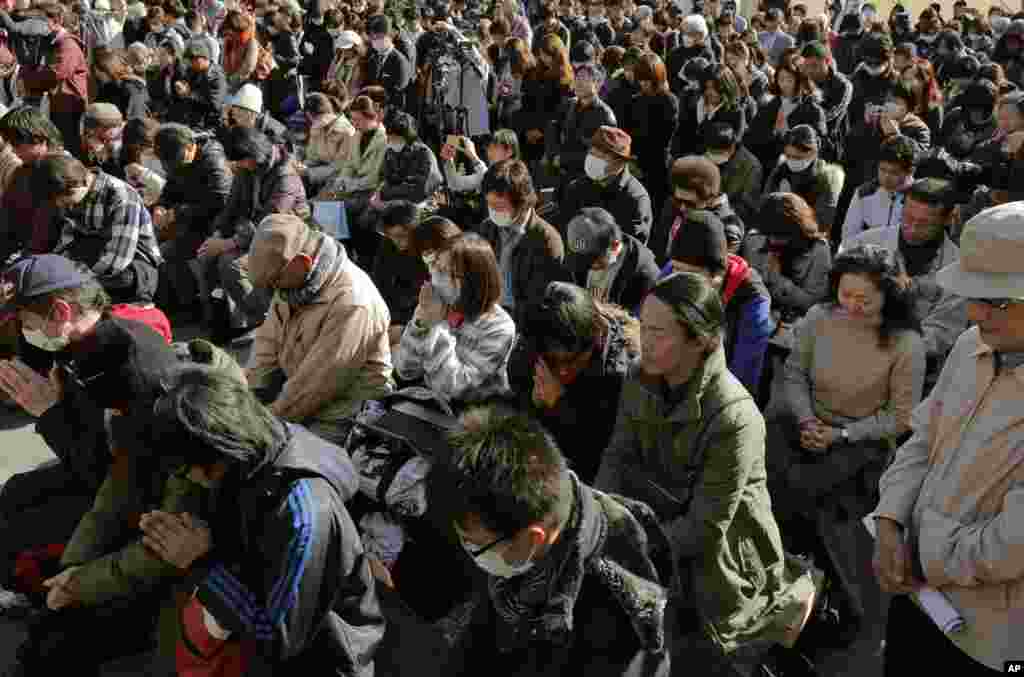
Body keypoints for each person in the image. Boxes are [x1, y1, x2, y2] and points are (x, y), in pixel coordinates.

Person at [594, 272, 822, 674]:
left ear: (699, 340)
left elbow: (706, 526)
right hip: (657, 525)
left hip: (723, 553)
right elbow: (618, 456)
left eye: (659, 332)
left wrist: (628, 548)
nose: (644, 339)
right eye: (643, 326)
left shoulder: (735, 416)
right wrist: (599, 518)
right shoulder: (638, 376)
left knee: (701, 651)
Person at [138, 364, 386, 675]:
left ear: (219, 450)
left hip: (323, 659)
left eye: (188, 469)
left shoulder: (305, 515)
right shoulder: (257, 446)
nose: (189, 478)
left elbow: (275, 639)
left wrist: (202, 561)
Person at [874, 202, 1024, 674]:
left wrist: (918, 550)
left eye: (996, 300)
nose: (975, 312)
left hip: (991, 643)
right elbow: (922, 440)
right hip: (917, 601)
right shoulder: (970, 346)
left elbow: (1013, 544)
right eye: (972, 294)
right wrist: (890, 520)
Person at [441, 402, 671, 677]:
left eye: (475, 545)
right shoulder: (547, 521)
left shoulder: (608, 625)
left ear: (533, 539)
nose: (470, 552)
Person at [765, 244, 924, 616]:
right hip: (804, 424)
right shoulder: (819, 317)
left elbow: (901, 417)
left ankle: (827, 596)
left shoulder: (907, 344)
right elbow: (794, 373)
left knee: (807, 493)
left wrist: (841, 435)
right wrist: (806, 420)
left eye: (864, 300)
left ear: (889, 294)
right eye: (845, 294)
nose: (851, 306)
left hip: (861, 441)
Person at [245, 214, 393, 443]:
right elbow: (267, 344)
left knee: (280, 459)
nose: (274, 290)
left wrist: (262, 424)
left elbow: (315, 386)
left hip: (345, 412)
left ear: (304, 262)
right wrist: (247, 396)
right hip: (299, 391)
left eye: (275, 281)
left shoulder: (353, 303)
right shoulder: (293, 283)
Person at [507, 281, 640, 482]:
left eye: (570, 361)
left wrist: (560, 407)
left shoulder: (618, 376)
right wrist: (535, 404)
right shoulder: (529, 351)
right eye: (553, 361)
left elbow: (601, 457)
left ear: (594, 342)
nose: (562, 370)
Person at [843, 178, 968, 387]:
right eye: (907, 218)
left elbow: (942, 332)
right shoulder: (863, 243)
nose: (912, 228)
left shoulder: (958, 269)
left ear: (948, 218)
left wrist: (886, 346)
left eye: (924, 224)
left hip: (914, 376)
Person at [198, 126, 308, 340]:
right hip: (253, 233)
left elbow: (270, 221)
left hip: (285, 236)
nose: (238, 165)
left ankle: (267, 321)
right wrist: (219, 234)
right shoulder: (247, 169)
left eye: (240, 160)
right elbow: (232, 206)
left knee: (231, 263)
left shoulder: (285, 175)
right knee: (206, 256)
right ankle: (220, 321)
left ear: (253, 153)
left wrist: (230, 243)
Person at [395, 232, 515, 403]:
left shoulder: (498, 327)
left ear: (474, 280)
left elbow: (457, 389)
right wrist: (421, 323)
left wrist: (435, 326)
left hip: (474, 416)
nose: (438, 278)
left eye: (447, 273)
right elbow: (405, 369)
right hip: (432, 404)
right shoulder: (439, 305)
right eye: (437, 268)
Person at [668, 210, 774, 397]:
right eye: (676, 269)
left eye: (691, 274)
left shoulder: (752, 299)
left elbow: (742, 377)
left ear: (717, 276)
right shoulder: (674, 269)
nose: (680, 279)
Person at [33, 153, 163, 305]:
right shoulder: (70, 197)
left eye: (64, 200)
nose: (62, 206)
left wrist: (71, 277)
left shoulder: (122, 196)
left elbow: (117, 261)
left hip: (133, 267)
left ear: (77, 185)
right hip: (94, 261)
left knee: (122, 278)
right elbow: (66, 241)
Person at [475, 159, 567, 327]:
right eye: (489, 204)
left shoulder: (546, 240)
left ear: (522, 203)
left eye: (499, 205)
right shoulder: (488, 228)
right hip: (489, 314)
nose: (493, 211)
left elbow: (540, 304)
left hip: (521, 324)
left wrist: (503, 321)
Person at [152, 122, 233, 313]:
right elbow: (170, 189)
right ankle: (187, 304)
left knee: (173, 251)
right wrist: (161, 206)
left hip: (217, 226)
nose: (173, 166)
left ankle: (207, 308)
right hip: (193, 223)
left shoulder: (213, 157)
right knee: (163, 252)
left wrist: (179, 212)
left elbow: (220, 198)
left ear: (190, 146)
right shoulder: (176, 158)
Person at [743, 191, 831, 330]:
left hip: (793, 325)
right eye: (769, 234)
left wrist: (777, 279)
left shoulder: (818, 249)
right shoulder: (755, 239)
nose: (772, 240)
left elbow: (813, 302)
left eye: (778, 235)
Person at [555, 126, 652, 245]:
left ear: (619, 162)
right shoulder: (576, 187)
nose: (593, 158)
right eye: (592, 152)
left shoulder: (635, 198)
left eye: (601, 155)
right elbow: (565, 229)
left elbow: (632, 248)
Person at [14, 3, 88, 157]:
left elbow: (56, 74)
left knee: (68, 149)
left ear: (55, 22)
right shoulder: (48, 43)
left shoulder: (67, 44)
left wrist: (26, 80)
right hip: (55, 106)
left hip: (69, 108)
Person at [650, 156, 745, 265]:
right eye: (678, 200)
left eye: (690, 203)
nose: (682, 208)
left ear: (710, 199)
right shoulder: (671, 206)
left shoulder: (728, 229)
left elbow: (717, 274)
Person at [746, 52, 828, 174]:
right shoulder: (769, 105)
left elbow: (820, 142)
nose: (784, 84)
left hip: (801, 166)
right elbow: (753, 136)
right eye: (781, 79)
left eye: (789, 79)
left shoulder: (812, 109)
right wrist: (774, 133)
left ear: (799, 81)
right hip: (769, 165)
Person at [0, 107, 64, 262]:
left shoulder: (61, 174)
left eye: (16, 144)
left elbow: (45, 231)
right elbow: (7, 218)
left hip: (45, 260)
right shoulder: (23, 171)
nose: (12, 150)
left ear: (38, 139)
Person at [564, 207, 658, 312]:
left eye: (592, 261)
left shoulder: (645, 276)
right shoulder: (580, 256)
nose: (587, 268)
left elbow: (638, 324)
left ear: (614, 246)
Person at [762, 125, 845, 238]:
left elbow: (823, 222)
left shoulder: (828, 177)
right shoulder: (779, 172)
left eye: (798, 157)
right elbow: (765, 206)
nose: (793, 161)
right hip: (776, 236)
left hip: (811, 240)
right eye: (789, 156)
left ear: (813, 153)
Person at [545, 61, 616, 184]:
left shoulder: (605, 116)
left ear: (598, 84)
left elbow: (602, 155)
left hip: (586, 180)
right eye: (577, 78)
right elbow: (553, 128)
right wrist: (553, 154)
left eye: (584, 79)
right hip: (562, 175)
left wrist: (564, 159)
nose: (578, 83)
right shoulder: (569, 105)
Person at [373, 202, 431, 347]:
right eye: (391, 236)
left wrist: (405, 326)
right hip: (398, 307)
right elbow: (381, 282)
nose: (397, 241)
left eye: (402, 236)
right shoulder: (388, 244)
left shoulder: (429, 248)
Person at [625, 53, 678, 213]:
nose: (643, 83)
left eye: (648, 79)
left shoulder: (669, 101)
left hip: (658, 164)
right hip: (637, 161)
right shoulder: (636, 100)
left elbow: (664, 139)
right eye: (641, 79)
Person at [841, 134, 915, 245]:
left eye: (894, 172)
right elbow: (849, 236)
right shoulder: (864, 193)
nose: (886, 177)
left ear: (910, 171)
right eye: (882, 169)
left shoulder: (919, 198)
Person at [799, 41, 853, 163]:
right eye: (806, 66)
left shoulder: (842, 85)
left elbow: (830, 114)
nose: (810, 70)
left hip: (830, 144)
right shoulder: (803, 79)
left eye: (814, 65)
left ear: (827, 61)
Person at [703, 122, 763, 229]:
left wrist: (724, 208)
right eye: (710, 152)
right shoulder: (706, 157)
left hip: (730, 223)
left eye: (717, 153)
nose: (712, 156)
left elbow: (748, 206)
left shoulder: (751, 166)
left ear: (731, 148)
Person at [301, 92, 356, 195]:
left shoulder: (347, 132)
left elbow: (339, 167)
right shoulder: (317, 127)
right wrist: (302, 166)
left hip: (339, 179)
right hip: (319, 174)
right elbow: (312, 157)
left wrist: (309, 173)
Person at [364, 14, 412, 111]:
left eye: (377, 37)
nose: (374, 41)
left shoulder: (400, 62)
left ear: (388, 35)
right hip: (372, 109)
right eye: (372, 38)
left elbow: (398, 95)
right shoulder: (372, 56)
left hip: (390, 112)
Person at [221, 82, 290, 147]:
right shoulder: (225, 116)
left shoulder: (271, 130)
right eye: (234, 108)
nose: (233, 114)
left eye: (253, 115)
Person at [93, 47, 150, 120]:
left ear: (107, 69)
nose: (96, 75)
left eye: (98, 72)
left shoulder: (131, 88)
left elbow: (137, 119)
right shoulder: (107, 87)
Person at [221, 9, 259, 90]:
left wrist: (230, 80)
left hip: (245, 85)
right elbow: (223, 63)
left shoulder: (251, 42)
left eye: (230, 32)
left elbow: (248, 67)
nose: (228, 35)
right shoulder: (228, 41)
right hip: (229, 83)